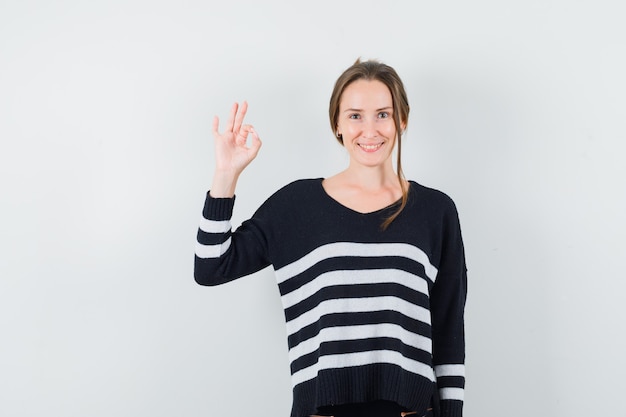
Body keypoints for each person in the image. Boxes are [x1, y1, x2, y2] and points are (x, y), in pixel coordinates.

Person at [194, 59, 468, 417]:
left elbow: (449, 333)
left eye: (382, 114)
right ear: (336, 124)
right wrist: (225, 176)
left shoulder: (436, 211)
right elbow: (212, 266)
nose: (369, 130)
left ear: (402, 120)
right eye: (355, 115)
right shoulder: (295, 207)